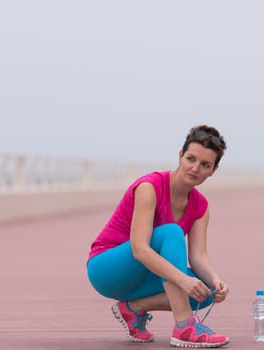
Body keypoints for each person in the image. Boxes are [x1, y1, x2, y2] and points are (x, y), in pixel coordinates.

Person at [86, 125, 230, 348]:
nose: (195, 168)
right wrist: (183, 280)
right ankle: (184, 327)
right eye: (191, 158)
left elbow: (198, 256)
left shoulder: (200, 206)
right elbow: (139, 249)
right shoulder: (149, 187)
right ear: (180, 155)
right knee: (171, 232)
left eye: (205, 165)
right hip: (107, 268)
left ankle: (133, 308)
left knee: (204, 292)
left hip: (143, 277)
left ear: (213, 170)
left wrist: (215, 281)